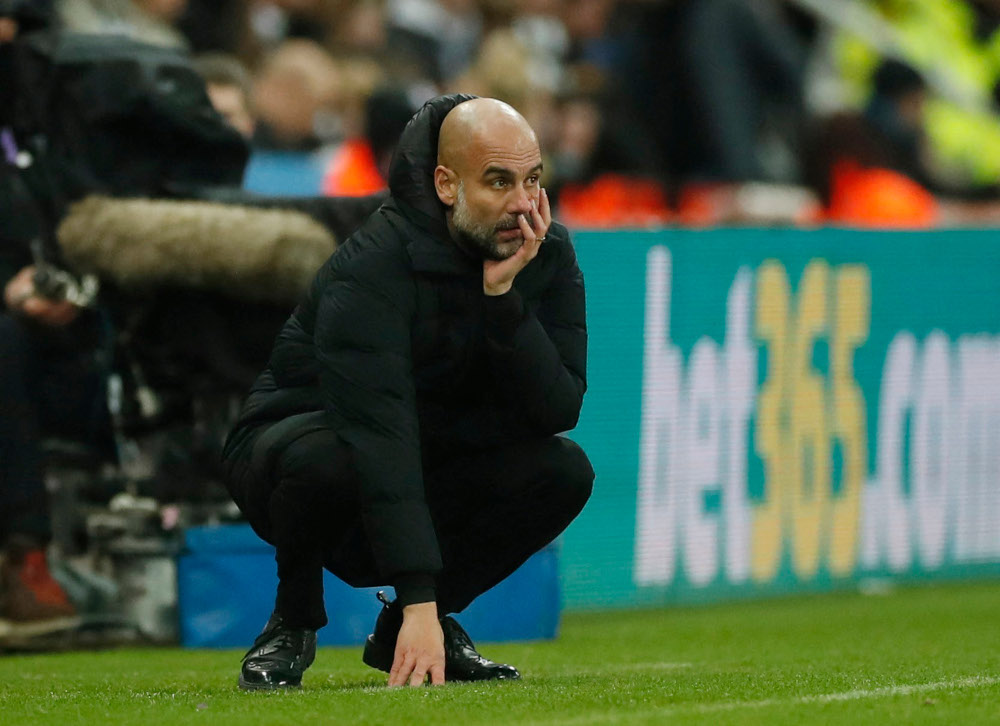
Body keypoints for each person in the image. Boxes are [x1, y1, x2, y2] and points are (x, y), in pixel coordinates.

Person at [222, 93, 593, 690]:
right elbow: (379, 434)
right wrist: (420, 596)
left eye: (532, 180)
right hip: (301, 452)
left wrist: (503, 303)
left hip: (424, 447)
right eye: (499, 182)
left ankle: (403, 628)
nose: (523, 204)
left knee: (564, 471)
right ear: (446, 184)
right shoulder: (373, 264)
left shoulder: (544, 253)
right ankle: (292, 620)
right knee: (325, 458)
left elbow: (556, 409)